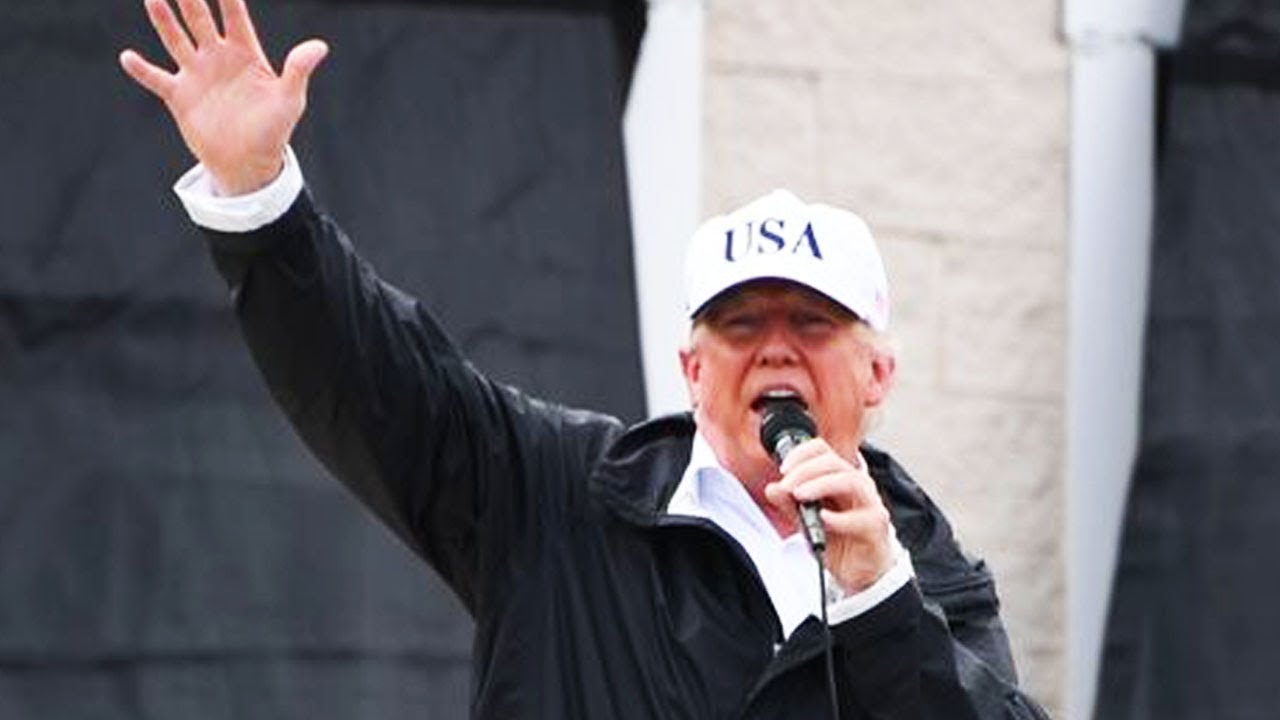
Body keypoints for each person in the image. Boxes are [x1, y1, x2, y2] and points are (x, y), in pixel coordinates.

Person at [120, 0, 1051, 717]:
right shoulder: (556, 496)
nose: (775, 348)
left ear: (876, 374)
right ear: (692, 371)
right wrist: (259, 198)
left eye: (811, 324)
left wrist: (878, 600)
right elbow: (375, 376)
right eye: (739, 325)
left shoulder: (925, 577)